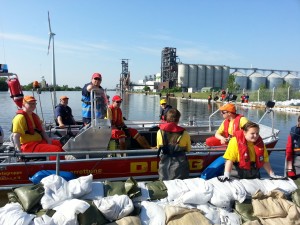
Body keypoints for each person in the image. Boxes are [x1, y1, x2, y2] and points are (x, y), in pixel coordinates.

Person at [218, 121, 283, 181]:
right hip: (237, 174)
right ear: (245, 133)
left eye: (257, 133)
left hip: (254, 174)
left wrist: (272, 174)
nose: (255, 136)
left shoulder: (260, 143)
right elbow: (229, 159)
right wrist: (226, 174)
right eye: (252, 133)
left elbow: (265, 160)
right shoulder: (235, 141)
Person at [12, 95, 65, 160]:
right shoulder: (20, 118)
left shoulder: (35, 116)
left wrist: (48, 140)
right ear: (23, 104)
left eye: (34, 103)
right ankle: (54, 167)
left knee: (59, 144)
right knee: (55, 150)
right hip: (28, 146)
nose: (33, 105)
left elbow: (41, 130)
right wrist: (19, 152)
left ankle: (63, 164)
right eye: (30, 103)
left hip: (38, 142)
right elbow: (16, 136)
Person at [156, 108, 191, 180]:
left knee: (164, 184)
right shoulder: (185, 133)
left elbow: (158, 146)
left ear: (166, 118)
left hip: (164, 165)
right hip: (180, 166)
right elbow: (188, 149)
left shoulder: (160, 132)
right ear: (178, 119)